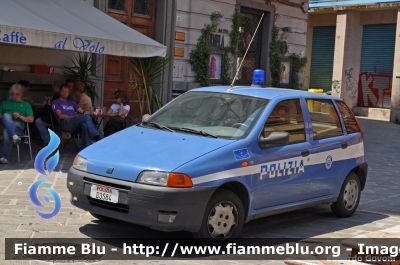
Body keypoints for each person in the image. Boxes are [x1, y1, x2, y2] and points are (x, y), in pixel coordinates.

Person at [0, 84, 34, 164]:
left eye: (17, 94)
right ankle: (14, 136)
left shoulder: (26, 105)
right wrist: (5, 116)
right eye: (13, 94)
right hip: (4, 125)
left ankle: (4, 157)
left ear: (21, 95)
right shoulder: (4, 103)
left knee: (6, 131)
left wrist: (20, 116)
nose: (14, 96)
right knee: (5, 116)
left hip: (18, 127)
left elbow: (31, 119)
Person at [35, 80, 63, 146]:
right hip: (64, 118)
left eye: (53, 88)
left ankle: (46, 140)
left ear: (56, 87)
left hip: (56, 118)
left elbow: (52, 108)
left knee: (38, 121)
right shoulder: (65, 95)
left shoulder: (57, 95)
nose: (52, 90)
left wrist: (46, 105)